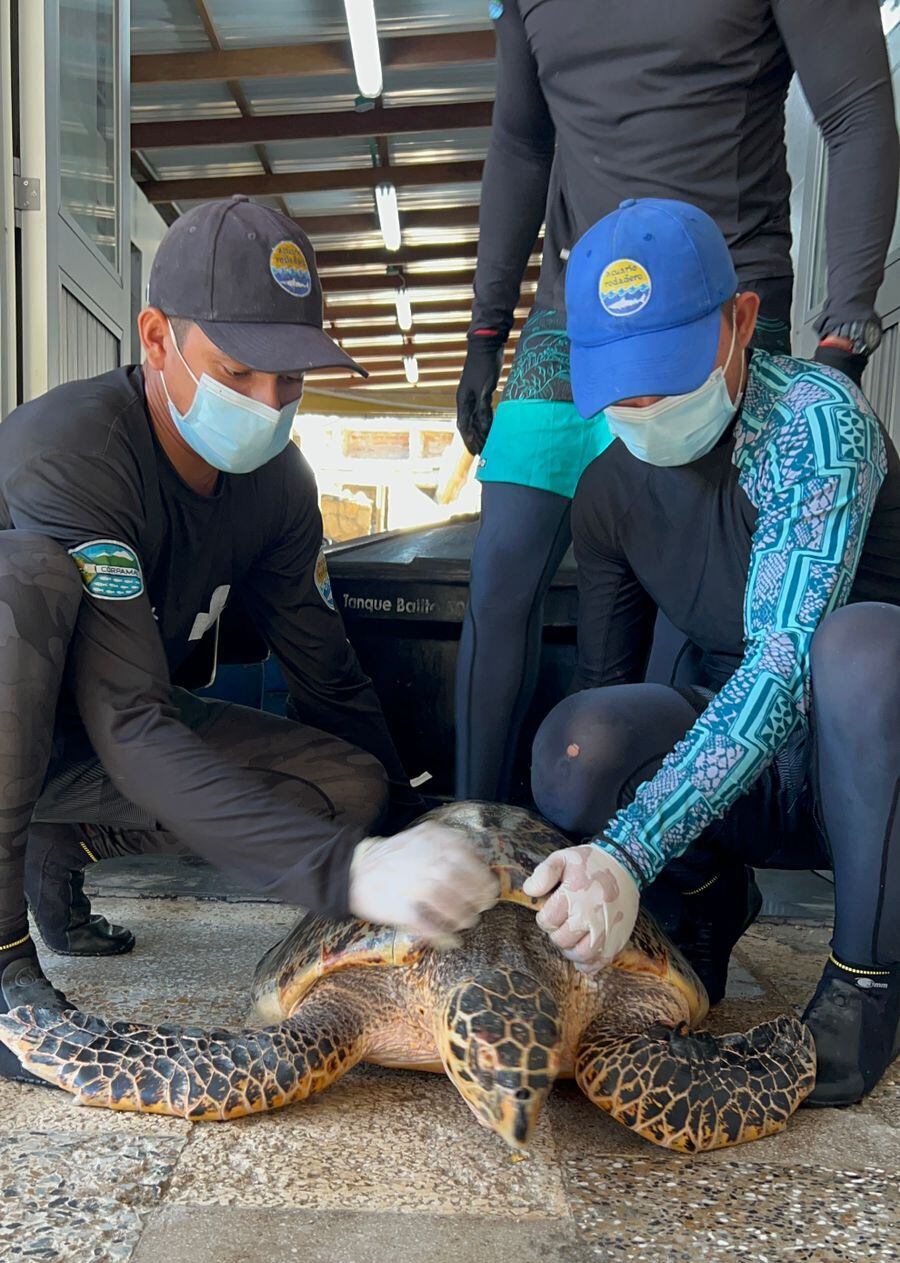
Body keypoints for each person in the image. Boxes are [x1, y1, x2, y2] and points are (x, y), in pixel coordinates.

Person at [0, 197, 498, 1083]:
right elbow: (129, 721)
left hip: (106, 725)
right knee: (23, 580)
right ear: (157, 339)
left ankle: (58, 844)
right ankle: (3, 961)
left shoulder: (276, 483)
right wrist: (342, 873)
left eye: (291, 381)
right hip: (47, 708)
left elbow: (326, 670)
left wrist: (405, 824)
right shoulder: (71, 450)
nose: (268, 406)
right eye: (237, 371)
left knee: (348, 786)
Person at [455, 0, 898, 802]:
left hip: (717, 302)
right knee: (502, 567)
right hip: (575, 315)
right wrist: (486, 326)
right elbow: (520, 141)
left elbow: (855, 109)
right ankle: (473, 831)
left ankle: (676, 876)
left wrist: (847, 322)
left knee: (688, 603)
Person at [525, 197, 900, 1109]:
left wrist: (633, 847)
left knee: (857, 649)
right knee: (580, 742)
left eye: (666, 374)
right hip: (745, 761)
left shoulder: (818, 421)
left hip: (867, 767)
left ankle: (867, 978)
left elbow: (782, 663)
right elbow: (609, 679)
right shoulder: (608, 487)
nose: (643, 408)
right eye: (620, 384)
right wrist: (591, 864)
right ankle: (709, 902)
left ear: (739, 325)